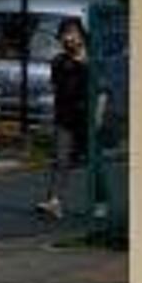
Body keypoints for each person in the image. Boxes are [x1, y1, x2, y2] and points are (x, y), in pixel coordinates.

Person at [37, 16, 89, 219]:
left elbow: (101, 87)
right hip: (65, 118)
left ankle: (102, 201)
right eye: (65, 34)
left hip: (88, 117)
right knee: (61, 159)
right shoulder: (59, 61)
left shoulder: (93, 60)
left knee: (95, 160)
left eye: (73, 33)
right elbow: (60, 84)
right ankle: (54, 201)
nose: (69, 38)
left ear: (82, 36)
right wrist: (77, 62)